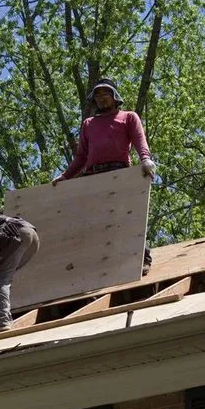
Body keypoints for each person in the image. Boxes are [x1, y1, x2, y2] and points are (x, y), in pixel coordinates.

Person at [53, 77, 155, 273]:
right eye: (97, 96)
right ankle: (100, 265)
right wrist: (65, 176)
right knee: (92, 221)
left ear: (115, 97)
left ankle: (142, 258)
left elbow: (140, 140)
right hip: (93, 176)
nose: (101, 98)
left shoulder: (128, 117)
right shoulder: (89, 124)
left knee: (127, 216)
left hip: (119, 172)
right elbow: (81, 157)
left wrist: (145, 159)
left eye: (105, 94)